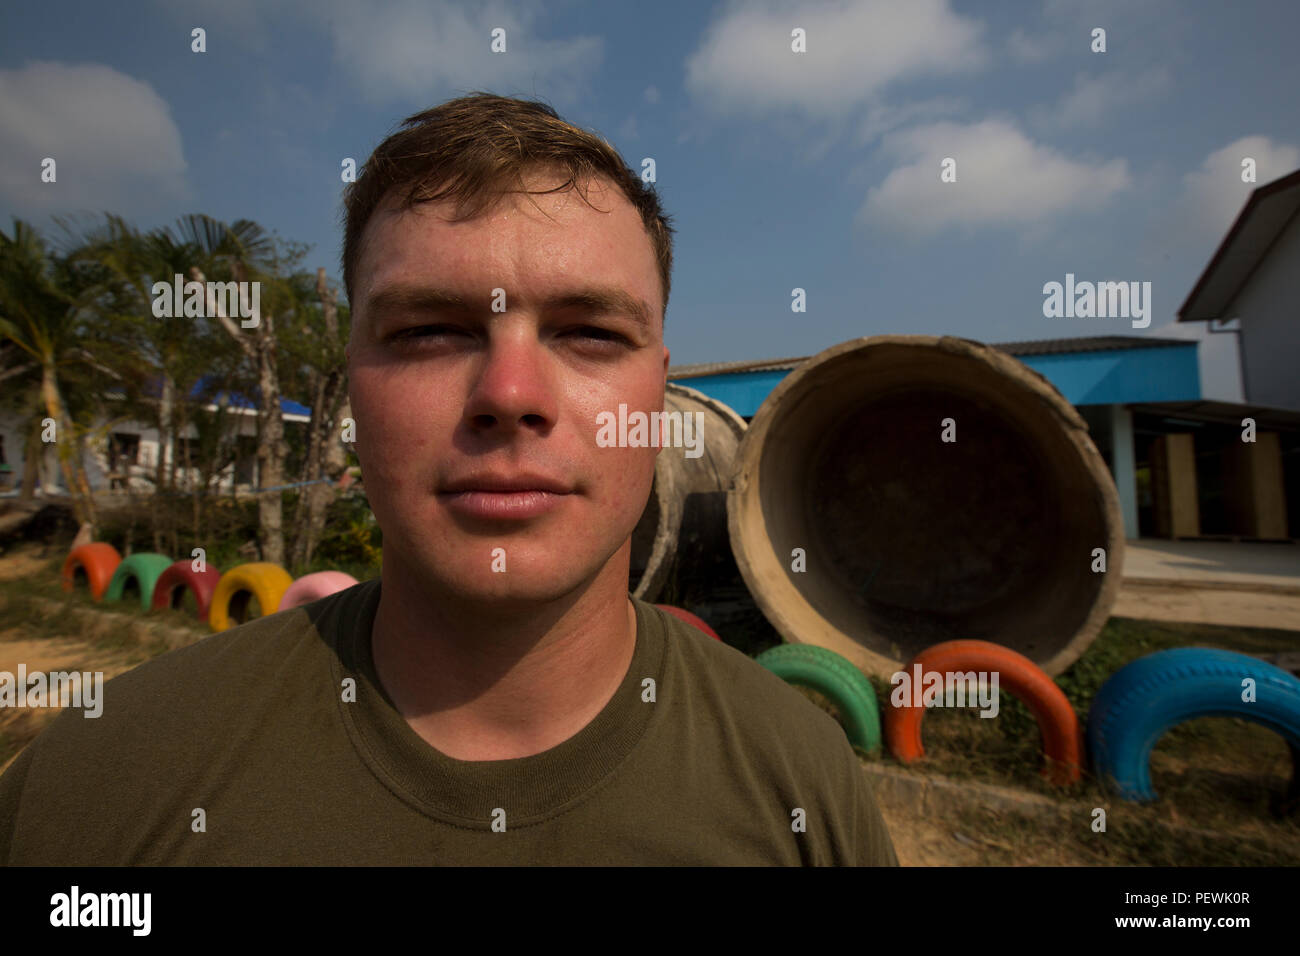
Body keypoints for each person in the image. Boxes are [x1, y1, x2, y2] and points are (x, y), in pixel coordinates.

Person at [0, 92, 897, 866]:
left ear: (657, 391)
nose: (510, 396)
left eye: (589, 333)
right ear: (352, 383)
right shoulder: (102, 783)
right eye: (431, 331)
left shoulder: (801, 779)